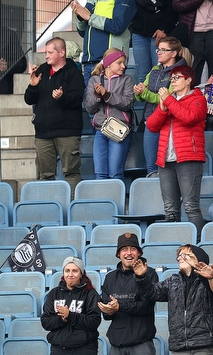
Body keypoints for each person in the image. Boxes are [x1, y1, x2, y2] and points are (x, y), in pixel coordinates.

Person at [135, 243, 213, 355]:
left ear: (197, 258)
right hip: (178, 351)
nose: (179, 258)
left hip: (203, 348)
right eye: (179, 255)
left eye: (184, 255)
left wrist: (209, 278)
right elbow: (151, 293)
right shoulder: (172, 281)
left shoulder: (207, 279)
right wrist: (141, 277)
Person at [99, 233, 159, 355]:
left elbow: (146, 305)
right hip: (117, 344)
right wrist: (107, 310)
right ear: (118, 254)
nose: (129, 252)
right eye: (124, 249)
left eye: (133, 248)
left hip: (141, 343)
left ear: (139, 253)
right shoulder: (110, 277)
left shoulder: (148, 274)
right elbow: (106, 313)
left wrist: (119, 307)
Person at [146, 64, 207, 232]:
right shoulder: (169, 101)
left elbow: (189, 117)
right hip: (166, 159)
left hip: (189, 158)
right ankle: (174, 244)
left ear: (188, 80)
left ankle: (197, 245)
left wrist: (169, 101)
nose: (172, 81)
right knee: (170, 210)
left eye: (176, 78)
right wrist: (163, 109)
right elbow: (151, 125)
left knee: (190, 206)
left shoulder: (197, 98)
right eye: (171, 78)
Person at [24, 37, 86, 194]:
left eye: (50, 52)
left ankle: (73, 207)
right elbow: (28, 99)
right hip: (43, 133)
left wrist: (62, 97)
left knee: (71, 173)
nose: (46, 56)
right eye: (46, 52)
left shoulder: (73, 72)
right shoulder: (41, 72)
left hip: (67, 132)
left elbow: (78, 99)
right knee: (45, 176)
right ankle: (49, 209)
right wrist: (33, 86)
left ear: (62, 52)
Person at [41, 257, 102, 355]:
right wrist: (62, 319)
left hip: (84, 352)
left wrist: (72, 316)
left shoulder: (90, 294)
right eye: (67, 270)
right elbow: (46, 322)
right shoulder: (54, 293)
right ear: (63, 273)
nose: (70, 274)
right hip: (59, 351)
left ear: (81, 273)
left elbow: (94, 321)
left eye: (74, 271)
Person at [72, 0, 137, 83]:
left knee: (111, 101)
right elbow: (84, 32)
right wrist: (80, 17)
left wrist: (90, 17)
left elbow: (118, 26)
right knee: (90, 102)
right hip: (89, 60)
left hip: (111, 62)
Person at [136, 36, 190, 176]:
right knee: (152, 169)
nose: (159, 52)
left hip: (169, 123)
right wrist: (138, 92)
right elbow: (143, 94)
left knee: (169, 167)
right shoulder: (154, 69)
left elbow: (168, 99)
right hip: (151, 120)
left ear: (174, 53)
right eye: (158, 50)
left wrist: (145, 93)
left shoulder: (180, 72)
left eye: (163, 50)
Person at [84, 49, 135, 180]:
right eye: (119, 63)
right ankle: (102, 200)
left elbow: (128, 103)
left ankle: (116, 200)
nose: (123, 66)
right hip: (100, 129)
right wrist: (96, 96)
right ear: (108, 64)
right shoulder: (94, 80)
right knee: (100, 173)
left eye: (124, 63)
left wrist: (107, 95)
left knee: (115, 173)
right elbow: (89, 108)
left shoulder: (127, 80)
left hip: (119, 129)